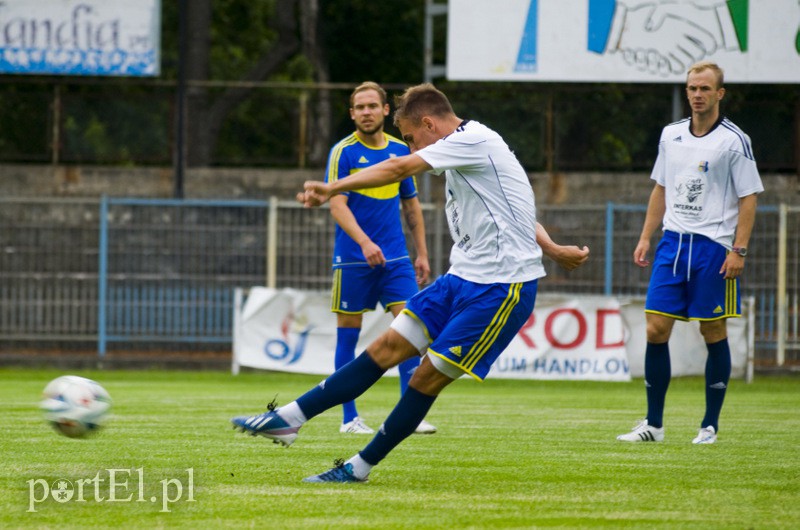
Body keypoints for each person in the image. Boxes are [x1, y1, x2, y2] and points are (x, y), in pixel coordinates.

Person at [232, 83, 590, 483]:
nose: (408, 146)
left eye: (409, 138)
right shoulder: (464, 151)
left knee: (424, 377)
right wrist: (554, 249)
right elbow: (517, 209)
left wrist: (333, 187)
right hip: (459, 279)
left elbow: (398, 168)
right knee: (385, 347)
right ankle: (287, 419)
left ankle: (358, 468)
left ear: (428, 123)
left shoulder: (473, 140)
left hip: (501, 289)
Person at [617, 61, 763, 445]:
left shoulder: (734, 140)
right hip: (672, 244)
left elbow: (749, 198)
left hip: (713, 248)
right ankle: (653, 424)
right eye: (691, 88)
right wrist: (647, 236)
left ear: (719, 94)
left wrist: (739, 249)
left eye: (704, 88)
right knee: (654, 327)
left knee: (712, 329)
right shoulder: (671, 135)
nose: (697, 95)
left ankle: (709, 424)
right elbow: (660, 188)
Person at [324, 81, 435, 435]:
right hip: (354, 259)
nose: (366, 112)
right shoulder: (343, 152)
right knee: (347, 337)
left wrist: (422, 252)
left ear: (386, 110)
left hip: (397, 260)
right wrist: (365, 242)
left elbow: (411, 207)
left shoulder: (401, 150)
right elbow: (336, 204)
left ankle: (409, 416)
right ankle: (348, 419)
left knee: (412, 330)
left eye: (372, 106)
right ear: (352, 113)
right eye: (360, 107)